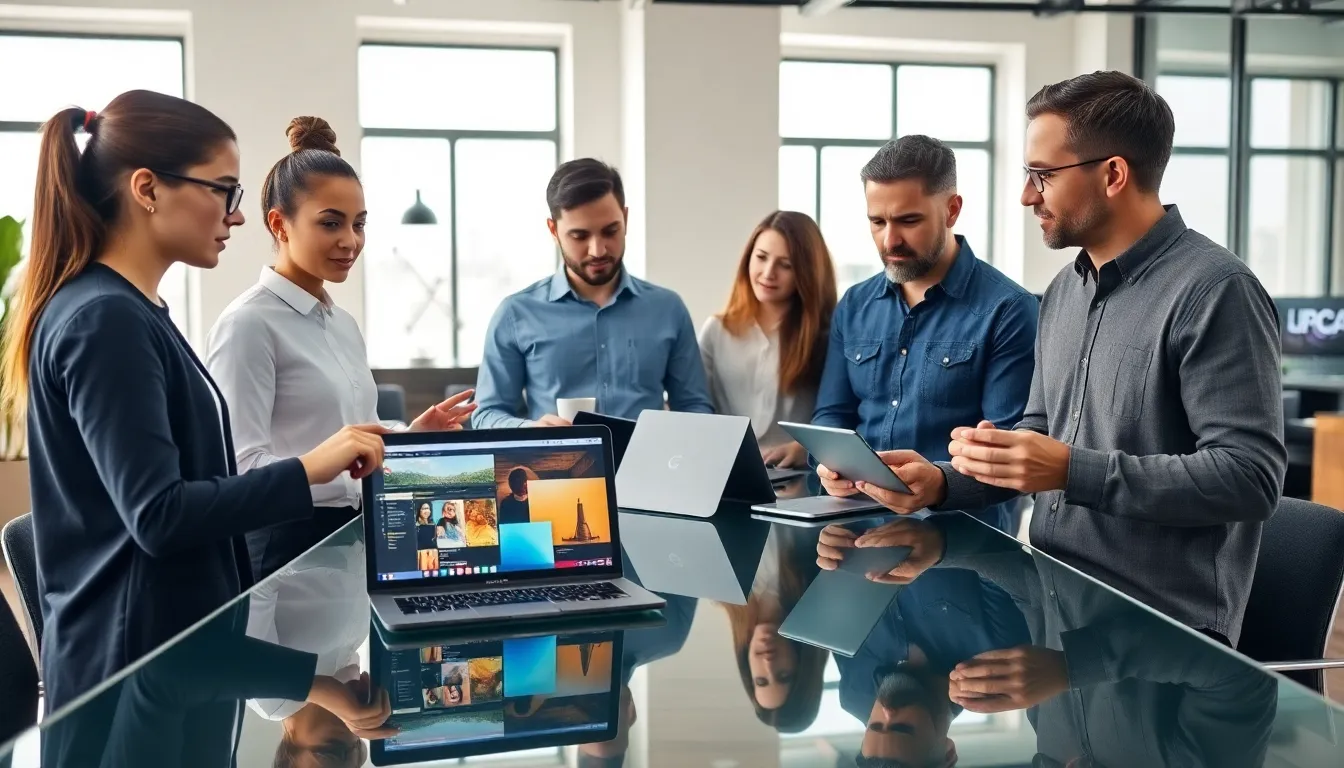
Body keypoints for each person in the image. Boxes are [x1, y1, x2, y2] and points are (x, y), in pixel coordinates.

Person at [825, 72, 1286, 646]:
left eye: (1041, 175)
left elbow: (1250, 477)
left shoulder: (1216, 290)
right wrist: (939, 483)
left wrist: (1071, 470)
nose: (1026, 196)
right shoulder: (1066, 290)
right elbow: (1037, 436)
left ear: (1113, 174)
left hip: (1162, 635)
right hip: (1050, 608)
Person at [2, 91, 386, 712]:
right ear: (148, 189)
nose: (236, 216)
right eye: (223, 190)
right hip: (136, 673)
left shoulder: (134, 310)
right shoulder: (105, 320)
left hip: (173, 652)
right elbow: (159, 515)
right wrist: (315, 465)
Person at [205, 116, 474, 581]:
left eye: (359, 224)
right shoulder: (248, 324)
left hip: (352, 541)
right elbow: (239, 471)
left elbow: (346, 450)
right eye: (331, 223)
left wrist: (408, 437)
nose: (350, 241)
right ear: (279, 225)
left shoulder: (342, 324)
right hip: (283, 554)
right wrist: (329, 463)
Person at [812, 135, 1037, 533]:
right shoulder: (854, 304)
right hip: (857, 532)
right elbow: (832, 414)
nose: (889, 241)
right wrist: (828, 463)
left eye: (908, 221)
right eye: (877, 222)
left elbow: (1010, 450)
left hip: (966, 543)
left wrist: (939, 483)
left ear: (952, 210)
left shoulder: (1008, 310)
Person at [473, 158, 714, 428]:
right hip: (556, 469)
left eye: (611, 231)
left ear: (625, 218)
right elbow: (487, 414)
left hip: (648, 468)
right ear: (554, 230)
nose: (598, 250)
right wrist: (529, 430)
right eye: (579, 236)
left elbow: (694, 406)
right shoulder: (515, 314)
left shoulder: (668, 309)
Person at [699, 211, 837, 469]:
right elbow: (696, 411)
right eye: (761, 257)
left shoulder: (827, 337)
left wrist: (805, 450)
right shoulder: (716, 331)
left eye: (785, 265)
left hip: (800, 477)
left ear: (806, 272)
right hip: (727, 472)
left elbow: (839, 415)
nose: (768, 273)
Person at [720, 525, 828, 733]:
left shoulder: (721, 589)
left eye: (760, 680)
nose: (768, 664)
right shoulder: (821, 578)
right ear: (803, 663)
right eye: (783, 675)